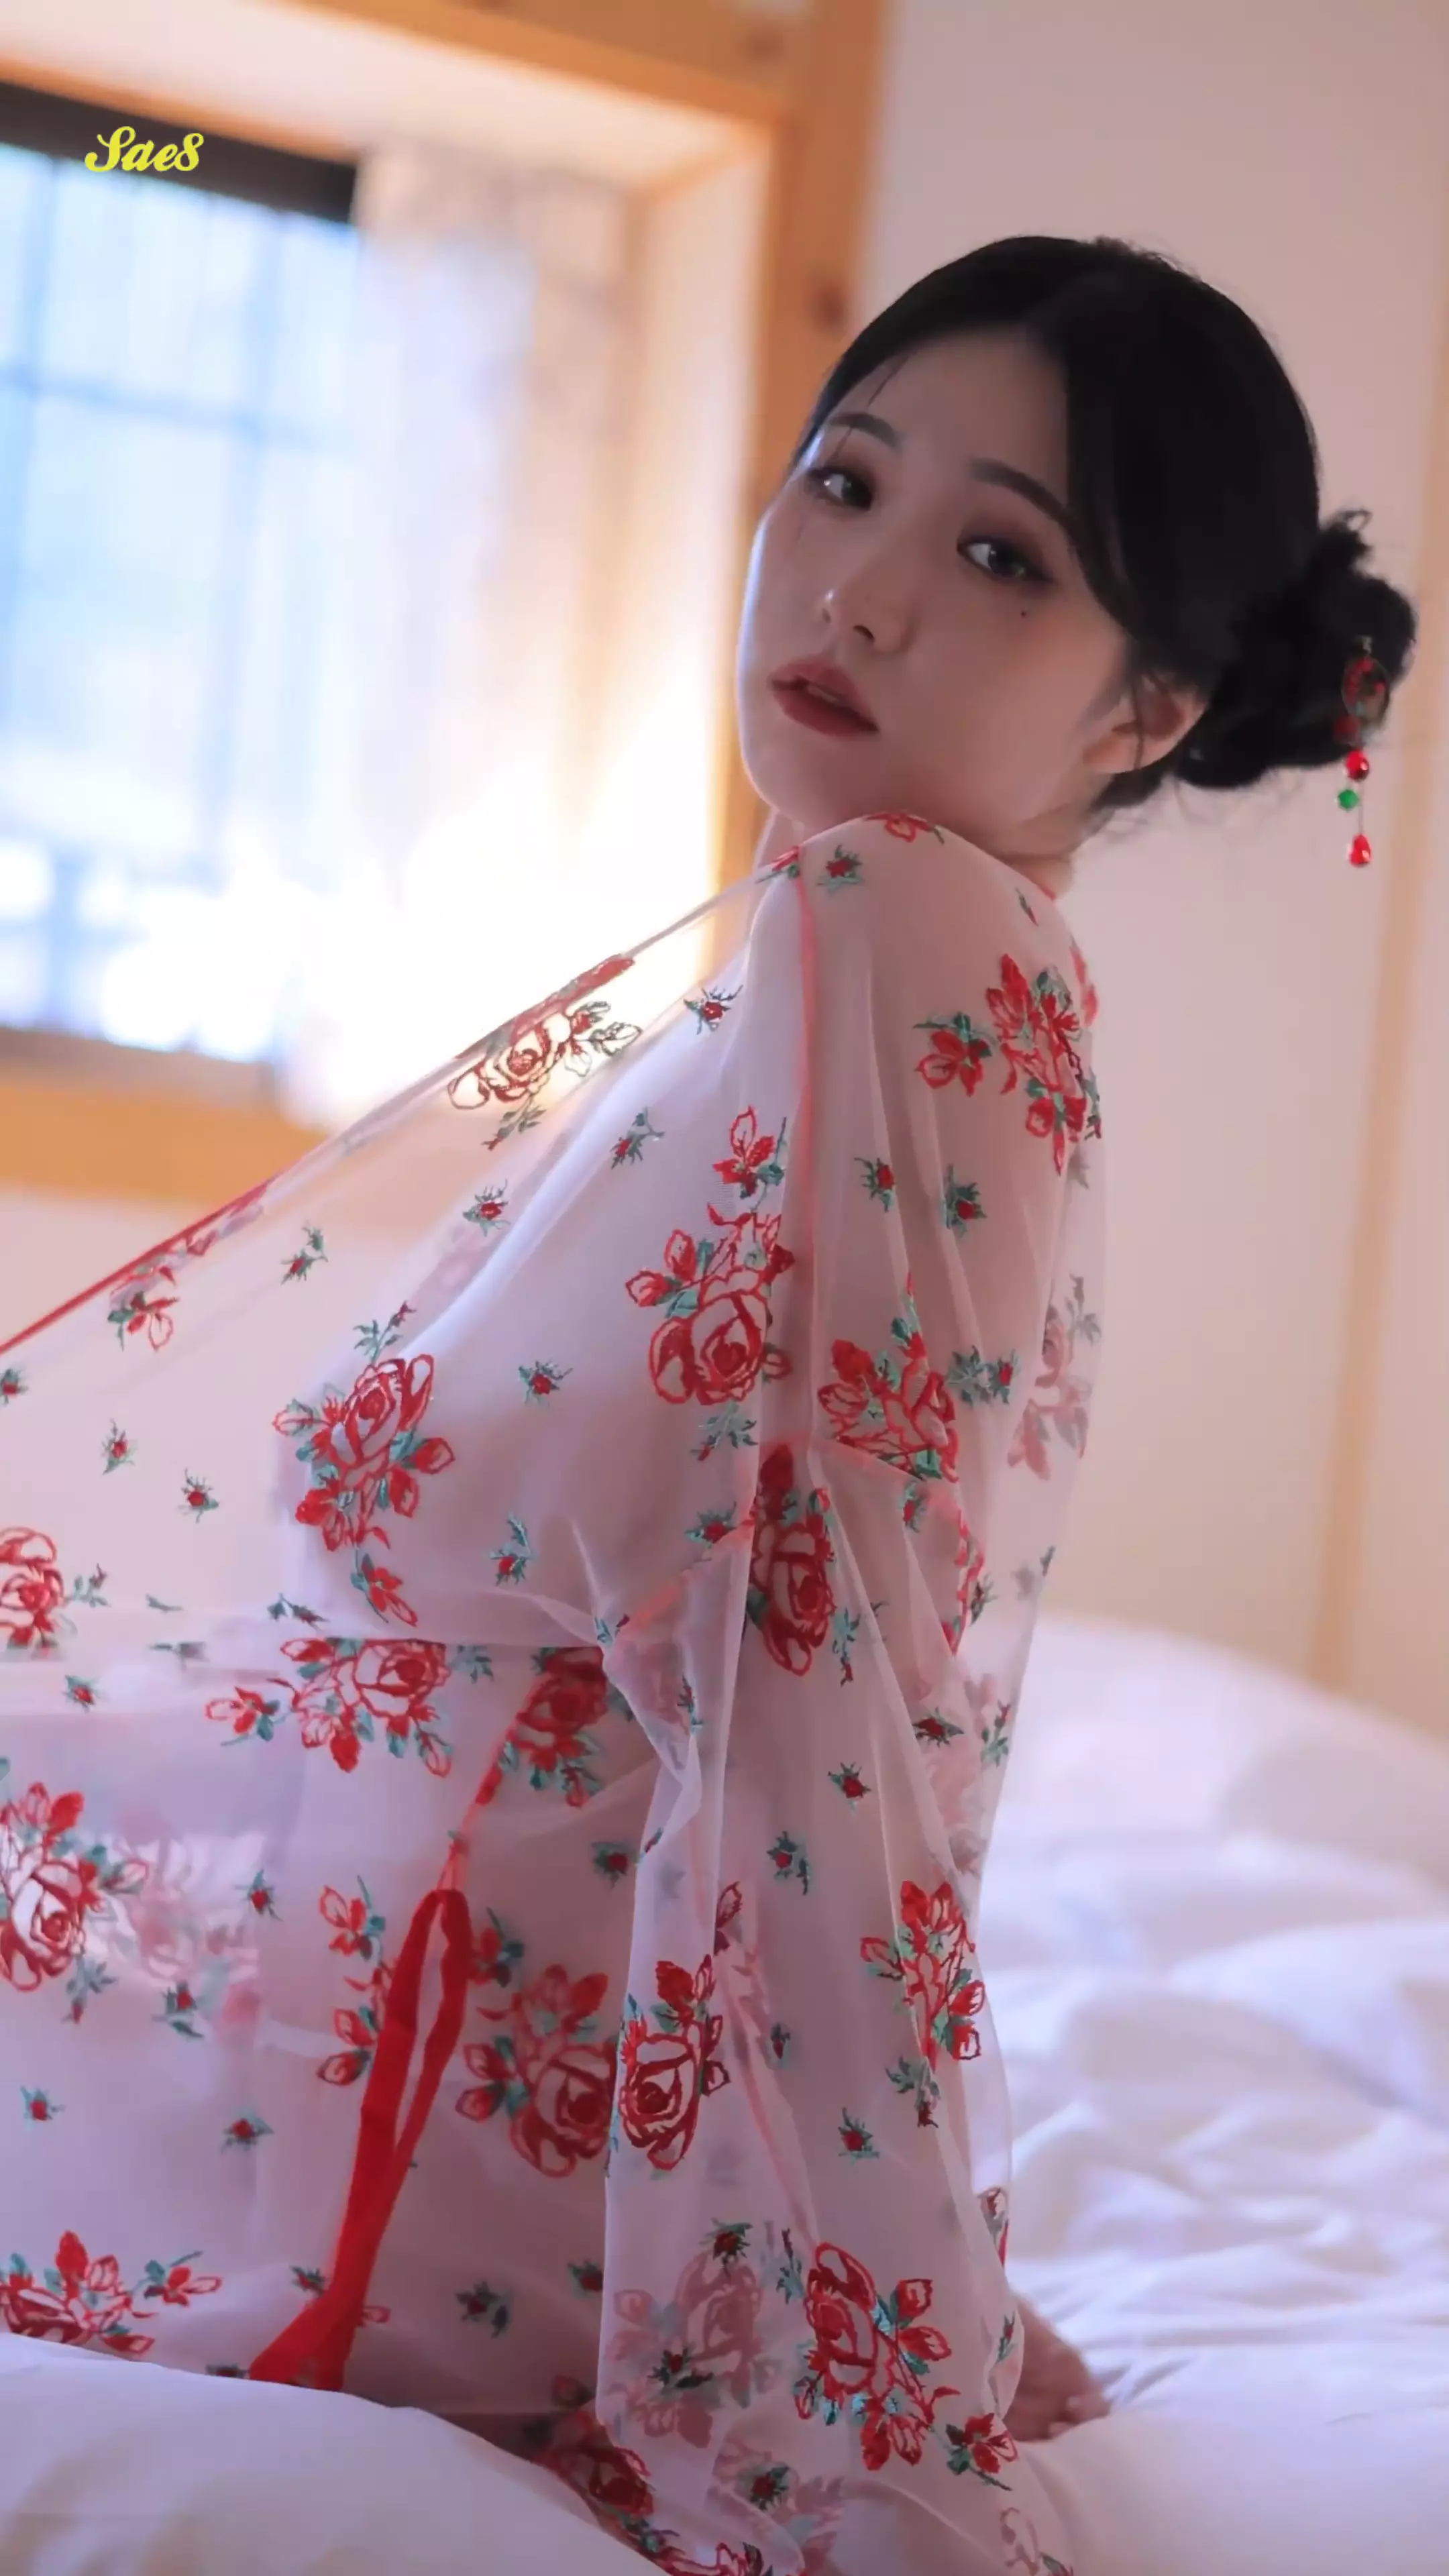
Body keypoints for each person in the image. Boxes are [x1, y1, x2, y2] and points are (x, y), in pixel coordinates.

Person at [0, 235, 1416, 2576]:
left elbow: (819, 1719)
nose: (861, 591)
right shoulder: (849, 958)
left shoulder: (896, 936)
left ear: (1148, 707)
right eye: (842, 481)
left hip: (428, 2173)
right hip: (393, 2064)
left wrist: (875, 2360)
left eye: (1000, 556)